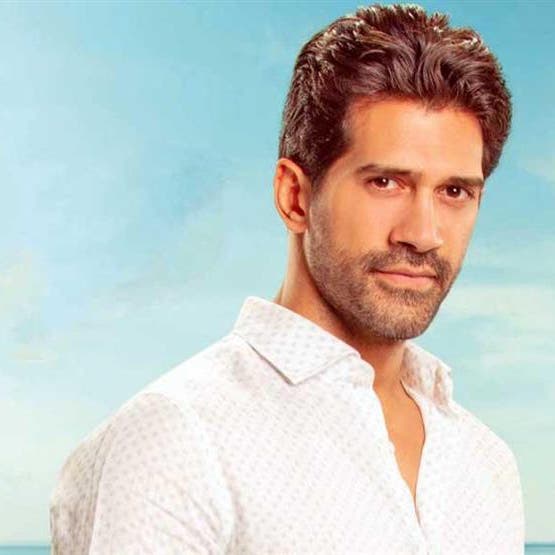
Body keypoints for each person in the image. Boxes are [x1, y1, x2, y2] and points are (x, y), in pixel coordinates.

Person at [50, 3, 525, 554]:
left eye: (455, 192)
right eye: (386, 182)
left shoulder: (486, 463)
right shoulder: (178, 437)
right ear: (295, 196)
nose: (423, 234)